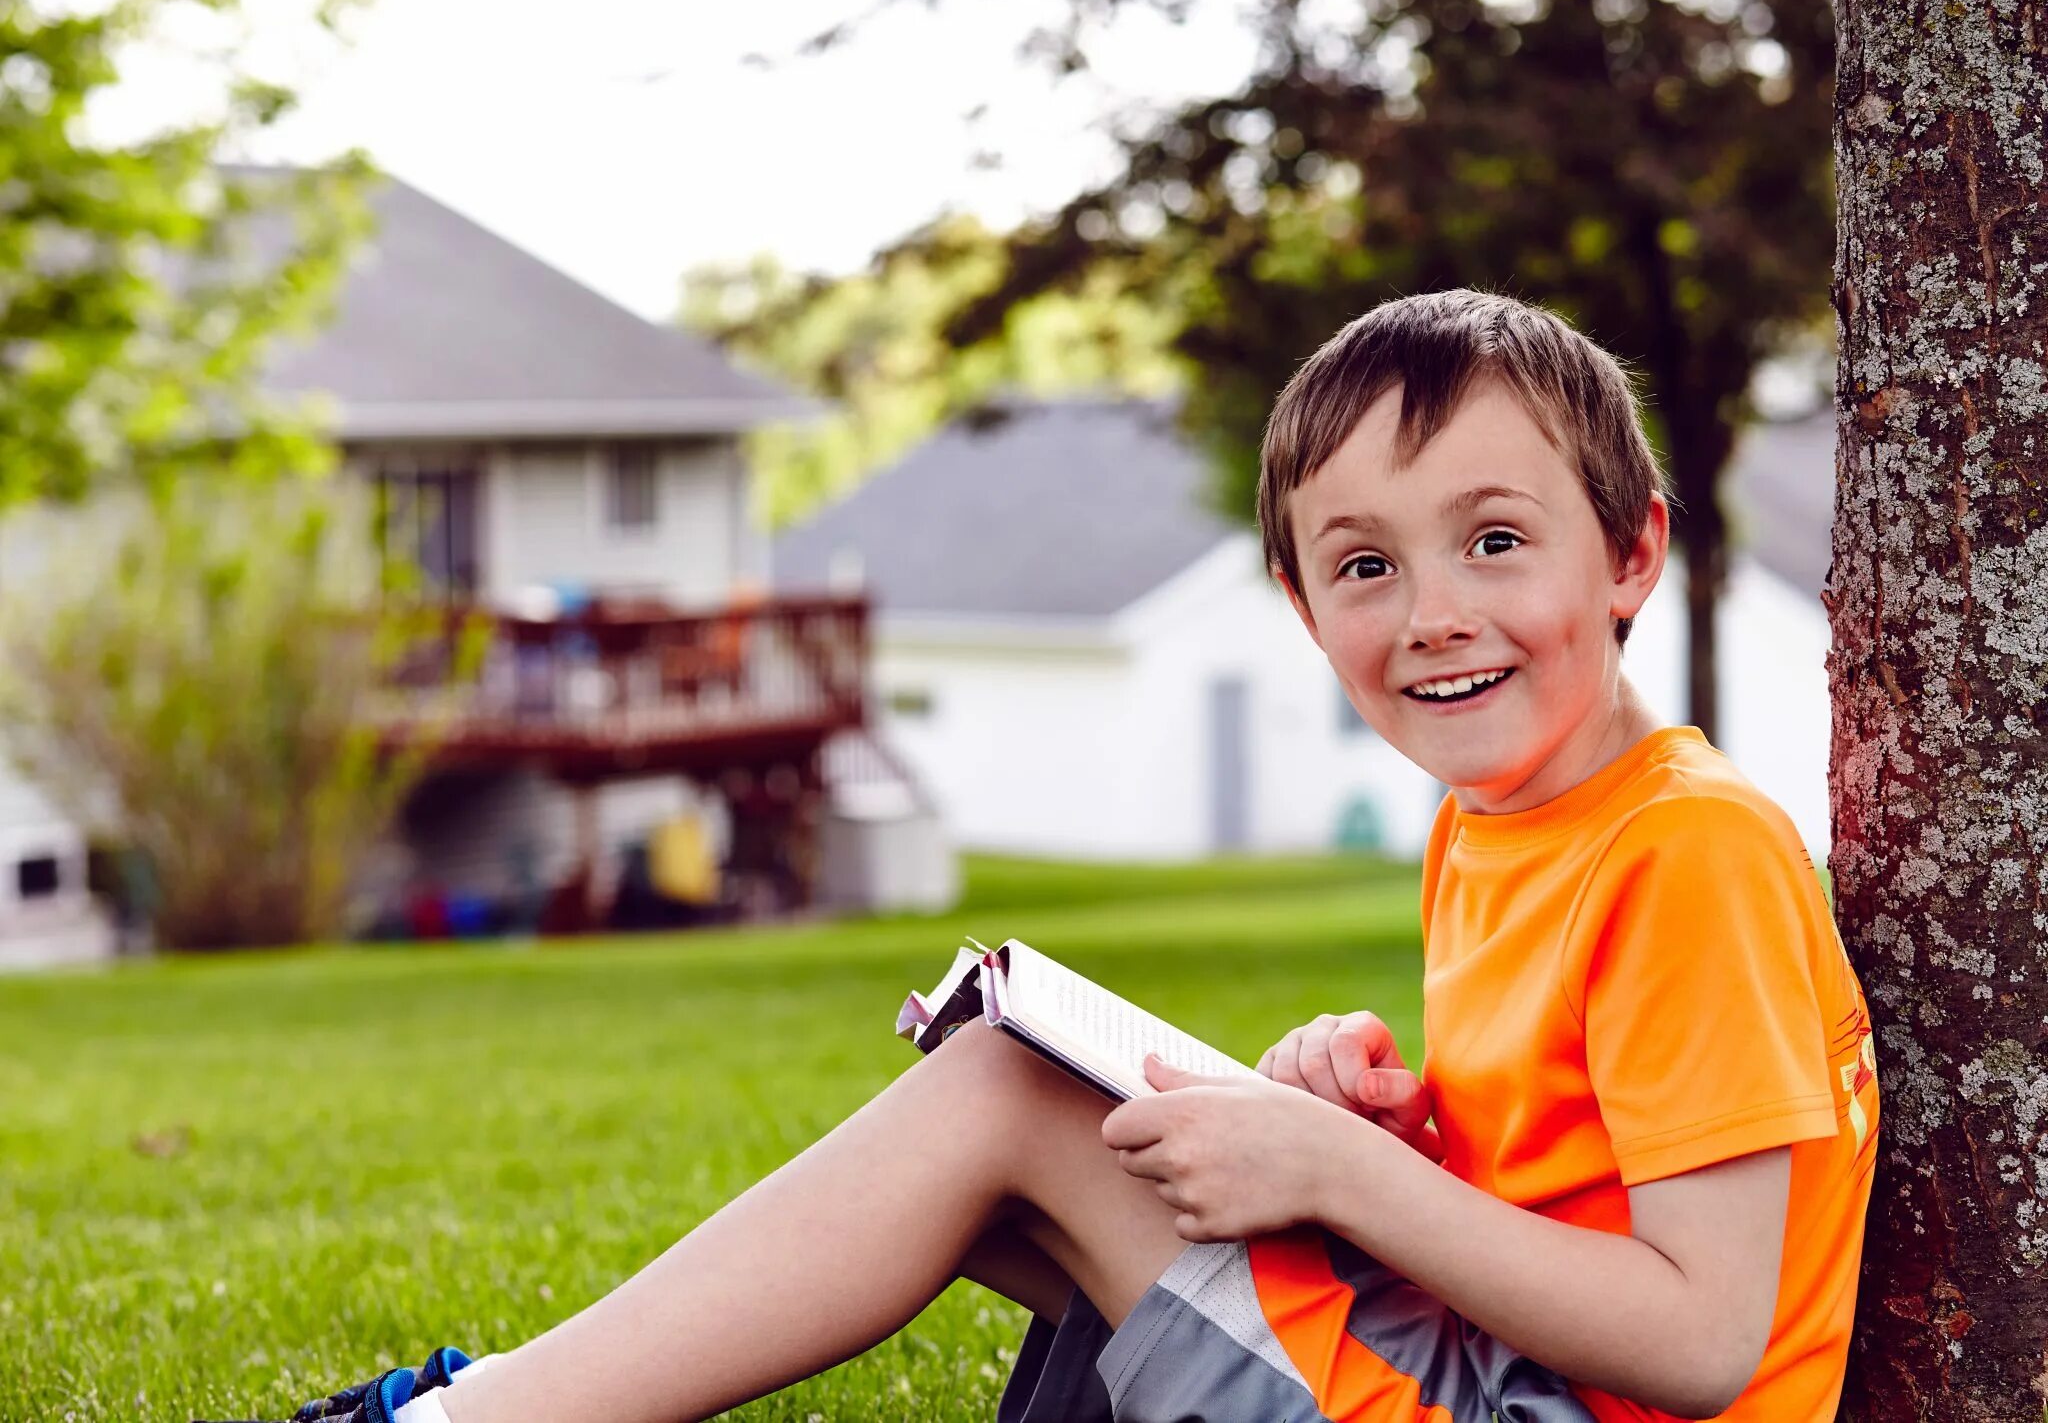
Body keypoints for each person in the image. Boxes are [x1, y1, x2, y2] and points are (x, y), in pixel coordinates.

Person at [218, 289, 1879, 1423]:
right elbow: (1577, 1173)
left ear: (1634, 554)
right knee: (1051, 1108)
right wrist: (1373, 1122)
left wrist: (1343, 1180)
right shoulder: (1504, 821)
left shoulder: (1692, 851)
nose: (1433, 613)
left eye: (1496, 540)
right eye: (1363, 566)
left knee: (1015, 1106)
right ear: (1304, 609)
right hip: (1497, 1371)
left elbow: (1706, 1337)